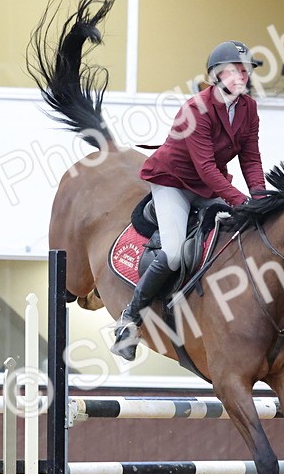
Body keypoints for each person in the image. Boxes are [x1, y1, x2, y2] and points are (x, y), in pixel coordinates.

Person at [111, 40, 267, 360]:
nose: (242, 76)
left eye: (245, 70)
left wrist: (262, 200)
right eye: (234, 70)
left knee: (244, 238)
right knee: (172, 253)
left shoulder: (249, 110)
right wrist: (240, 200)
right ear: (215, 76)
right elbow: (206, 167)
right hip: (174, 183)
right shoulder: (196, 108)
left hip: (209, 188)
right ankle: (129, 320)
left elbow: (251, 160)